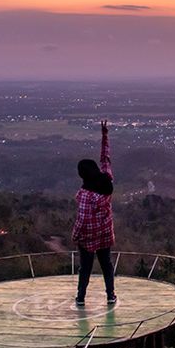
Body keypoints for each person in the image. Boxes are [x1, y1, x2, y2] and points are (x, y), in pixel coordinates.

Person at [72, 120, 116, 306]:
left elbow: (81, 220)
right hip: (105, 234)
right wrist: (105, 135)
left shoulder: (85, 195)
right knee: (106, 264)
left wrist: (74, 236)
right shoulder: (106, 180)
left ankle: (81, 297)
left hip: (88, 238)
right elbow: (105, 159)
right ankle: (110, 295)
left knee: (86, 267)